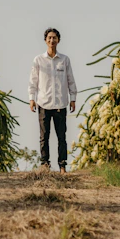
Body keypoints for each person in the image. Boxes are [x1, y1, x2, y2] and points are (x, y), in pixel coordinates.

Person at [28, 28, 77, 173]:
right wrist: (32, 99)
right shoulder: (38, 60)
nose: (51, 40)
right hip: (43, 103)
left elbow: (70, 80)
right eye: (49, 38)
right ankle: (45, 164)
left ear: (58, 40)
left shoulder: (64, 60)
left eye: (54, 38)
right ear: (45, 40)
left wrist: (73, 98)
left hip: (60, 104)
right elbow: (33, 81)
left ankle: (62, 165)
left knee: (62, 137)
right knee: (44, 137)